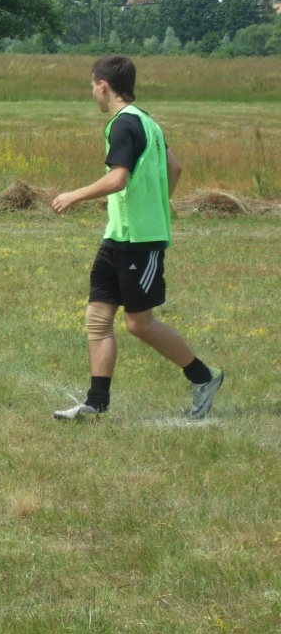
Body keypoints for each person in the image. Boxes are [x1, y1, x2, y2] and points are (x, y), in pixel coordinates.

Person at [51, 54, 224, 421]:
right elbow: (175, 167)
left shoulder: (123, 125)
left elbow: (118, 179)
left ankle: (204, 377)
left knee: (139, 323)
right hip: (117, 237)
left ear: (103, 85)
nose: (92, 93)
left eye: (92, 86)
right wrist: (157, 204)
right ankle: (96, 403)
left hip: (140, 241)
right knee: (98, 318)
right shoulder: (147, 121)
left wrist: (74, 195)